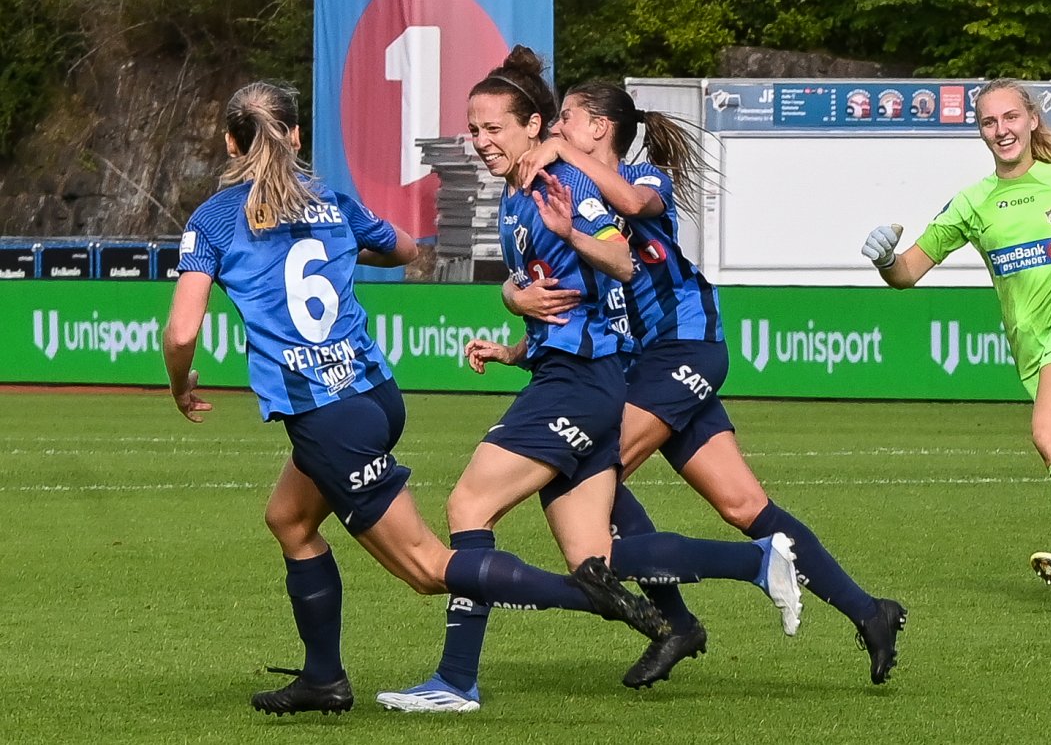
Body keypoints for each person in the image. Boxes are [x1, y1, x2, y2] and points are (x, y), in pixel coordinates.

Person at [162, 80, 691, 719]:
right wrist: (343, 243)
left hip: (326, 415)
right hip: (375, 394)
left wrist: (180, 383)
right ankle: (323, 679)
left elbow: (182, 332)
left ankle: (588, 594)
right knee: (290, 521)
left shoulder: (215, 219)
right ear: (296, 135)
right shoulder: (330, 200)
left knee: (426, 568)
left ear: (230, 142)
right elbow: (405, 250)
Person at [376, 47, 804, 714]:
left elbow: (621, 261)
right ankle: (757, 562)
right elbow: (557, 295)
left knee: (468, 508)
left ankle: (455, 681)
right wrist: (514, 314)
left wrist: (569, 234)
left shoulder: (563, 184)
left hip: (576, 385)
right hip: (579, 378)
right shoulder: (514, 196)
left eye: (493, 128)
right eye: (474, 129)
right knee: (594, 560)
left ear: (533, 126)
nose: (481, 140)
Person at [505, 82, 907, 688]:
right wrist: (515, 325)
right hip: (641, 363)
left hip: (683, 347)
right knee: (745, 505)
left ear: (600, 128)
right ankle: (869, 611)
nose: (556, 130)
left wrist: (561, 154)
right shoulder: (573, 191)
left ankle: (677, 622)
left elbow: (634, 204)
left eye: (567, 119)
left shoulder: (643, 177)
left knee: (594, 471)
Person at [861, 77, 1051, 606]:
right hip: (1035, 354)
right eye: (989, 121)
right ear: (981, 132)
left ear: (1031, 120)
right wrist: (886, 259)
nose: (1001, 129)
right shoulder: (973, 203)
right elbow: (909, 272)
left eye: (1009, 117)